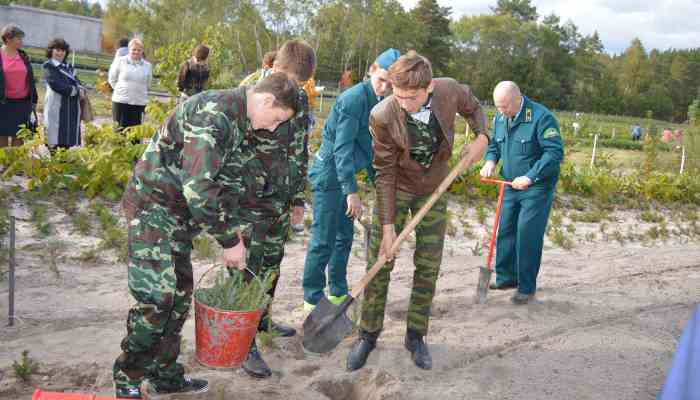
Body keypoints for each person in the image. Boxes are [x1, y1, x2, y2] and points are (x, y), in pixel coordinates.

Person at [112, 72, 300, 399]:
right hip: (153, 207)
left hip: (178, 214)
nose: (273, 128)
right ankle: (128, 376)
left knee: (178, 299)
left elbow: (227, 179)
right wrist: (229, 241)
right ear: (267, 100)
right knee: (157, 301)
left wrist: (238, 223)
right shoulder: (216, 116)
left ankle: (164, 376)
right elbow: (198, 185)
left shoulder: (241, 120)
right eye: (276, 120)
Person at [346, 51, 489, 371]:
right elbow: (384, 172)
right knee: (380, 260)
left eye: (411, 98)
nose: (404, 103)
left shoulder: (449, 90)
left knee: (428, 265)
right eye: (397, 96)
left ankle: (415, 336)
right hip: (396, 188)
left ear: (429, 89)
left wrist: (483, 136)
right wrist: (387, 227)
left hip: (434, 189)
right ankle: (367, 334)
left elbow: (475, 107)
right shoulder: (382, 115)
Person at [235, 39, 316, 379]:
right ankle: (243, 342)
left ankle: (262, 319)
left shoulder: (300, 98)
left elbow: (300, 149)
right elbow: (231, 149)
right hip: (249, 201)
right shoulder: (249, 91)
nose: (295, 90)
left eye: (300, 85)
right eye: (292, 81)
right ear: (278, 68)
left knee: (272, 263)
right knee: (246, 270)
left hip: (280, 201)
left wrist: (297, 198)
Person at [301, 48, 400, 312]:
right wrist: (351, 191)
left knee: (344, 238)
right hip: (329, 174)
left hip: (346, 176)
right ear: (371, 71)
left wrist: (381, 185)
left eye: (391, 84)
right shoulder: (354, 99)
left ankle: (337, 292)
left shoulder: (382, 104)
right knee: (324, 238)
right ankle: (311, 298)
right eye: (381, 79)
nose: (385, 87)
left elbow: (370, 148)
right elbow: (342, 149)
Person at [480, 81, 564, 304]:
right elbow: (495, 146)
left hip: (535, 187)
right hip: (509, 184)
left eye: (505, 106)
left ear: (518, 99)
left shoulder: (541, 117)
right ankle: (507, 277)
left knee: (527, 233)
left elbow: (554, 154)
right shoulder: (500, 118)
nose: (501, 111)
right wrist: (490, 161)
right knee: (505, 229)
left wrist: (530, 176)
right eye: (498, 106)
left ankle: (526, 288)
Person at [0, 24, 38, 148]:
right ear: (8, 39)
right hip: (3, 103)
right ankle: (3, 165)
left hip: (22, 104)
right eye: (19, 38)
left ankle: (15, 166)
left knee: (19, 136)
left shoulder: (23, 55)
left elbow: (30, 78)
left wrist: (34, 99)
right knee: (2, 135)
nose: (22, 41)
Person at [42, 38, 83, 149]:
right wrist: (74, 90)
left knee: (67, 137)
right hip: (56, 106)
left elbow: (78, 83)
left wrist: (79, 88)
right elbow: (55, 84)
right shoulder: (48, 66)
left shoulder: (69, 68)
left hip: (70, 108)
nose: (60, 53)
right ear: (51, 51)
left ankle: (63, 163)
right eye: (57, 50)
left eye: (63, 50)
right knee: (53, 137)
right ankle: (54, 163)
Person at [108, 38, 152, 130]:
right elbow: (112, 79)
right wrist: (120, 90)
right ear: (129, 50)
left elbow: (148, 83)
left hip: (139, 103)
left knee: (135, 132)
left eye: (139, 50)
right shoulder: (120, 61)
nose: (136, 52)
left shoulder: (148, 66)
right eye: (134, 49)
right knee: (119, 131)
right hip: (121, 101)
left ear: (142, 51)